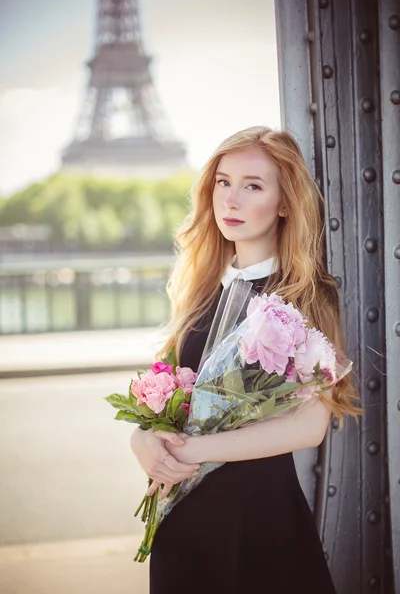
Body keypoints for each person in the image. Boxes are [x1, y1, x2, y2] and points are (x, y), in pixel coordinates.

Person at [130, 126, 362, 594]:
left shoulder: (305, 297)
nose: (231, 200)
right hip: (184, 520)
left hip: (257, 517)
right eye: (223, 182)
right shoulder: (198, 291)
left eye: (252, 185)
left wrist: (191, 451)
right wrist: (143, 440)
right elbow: (172, 407)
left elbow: (308, 428)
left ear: (283, 202)